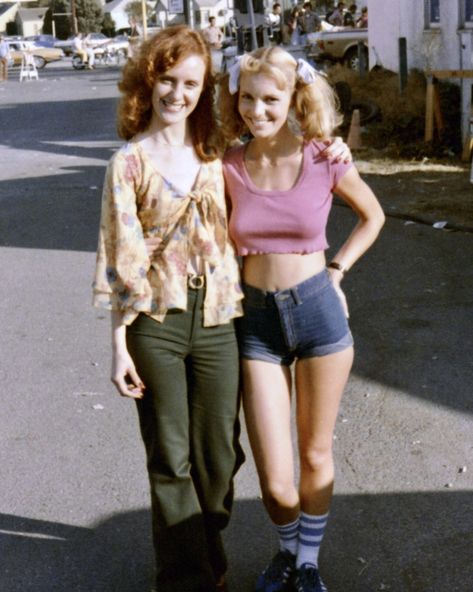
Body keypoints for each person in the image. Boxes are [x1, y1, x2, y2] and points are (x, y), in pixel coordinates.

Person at [218, 47, 385, 592]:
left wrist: (337, 271)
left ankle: (306, 562)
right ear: (235, 98)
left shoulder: (324, 157)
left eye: (270, 98)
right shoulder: (226, 164)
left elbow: (372, 215)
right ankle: (287, 549)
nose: (257, 110)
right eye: (247, 97)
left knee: (315, 453)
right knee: (274, 477)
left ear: (293, 98)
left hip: (317, 311)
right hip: (256, 323)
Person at [92, 25, 244, 592]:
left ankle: (205, 549)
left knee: (218, 457)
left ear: (204, 89)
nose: (177, 93)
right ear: (147, 81)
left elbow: (281, 163)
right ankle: (188, 579)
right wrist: (117, 348)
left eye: (190, 82)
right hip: (155, 324)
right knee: (170, 457)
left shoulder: (218, 155)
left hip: (220, 319)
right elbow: (119, 260)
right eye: (167, 79)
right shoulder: (127, 164)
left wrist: (329, 145)